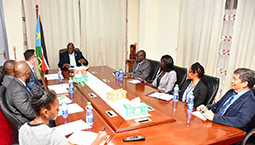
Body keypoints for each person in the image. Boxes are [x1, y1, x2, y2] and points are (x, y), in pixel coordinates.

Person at [19, 87, 107, 145]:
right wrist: (98, 140)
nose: (59, 111)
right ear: (45, 112)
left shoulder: (22, 129)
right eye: (56, 109)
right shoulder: (52, 134)